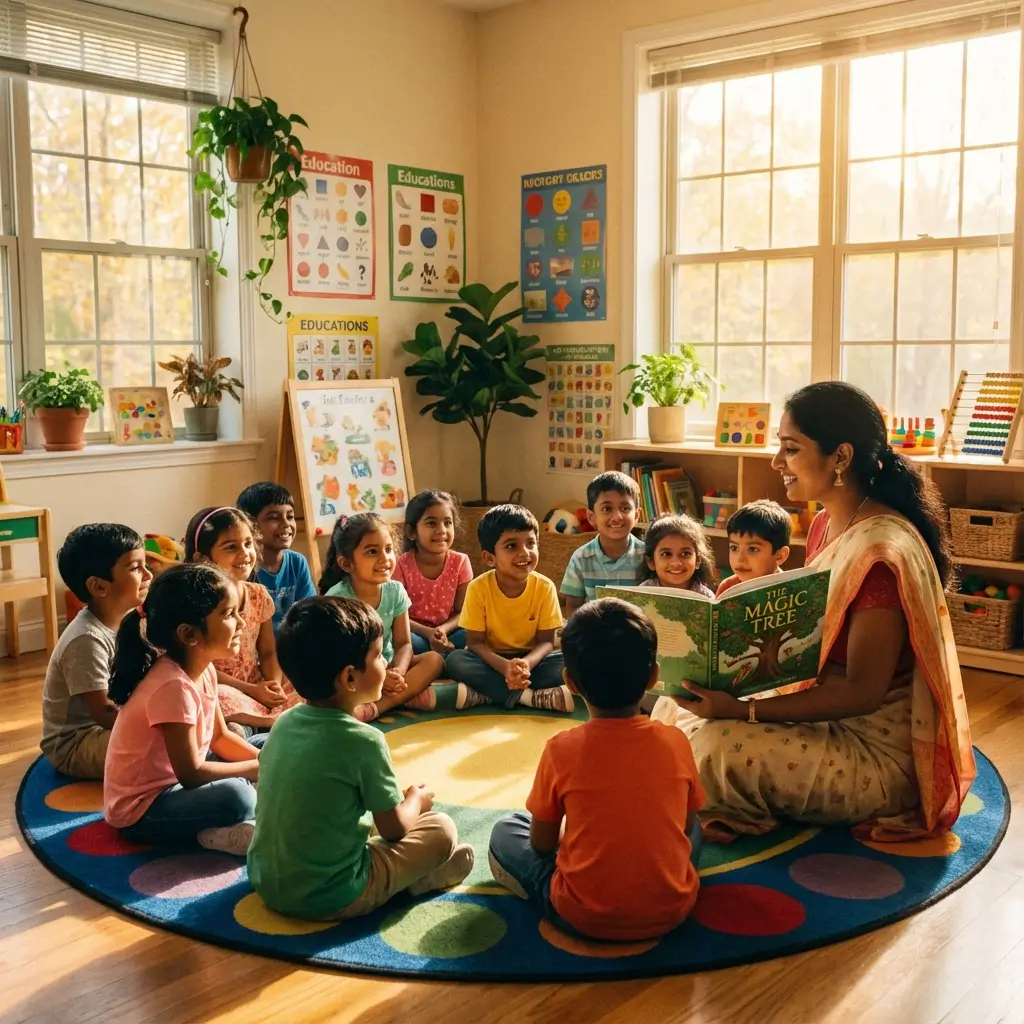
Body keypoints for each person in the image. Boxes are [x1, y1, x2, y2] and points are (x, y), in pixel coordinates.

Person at [653, 382, 975, 842]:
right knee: (677, 703)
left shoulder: (881, 553)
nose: (775, 462)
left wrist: (744, 711)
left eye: (790, 448)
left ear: (840, 457)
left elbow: (862, 693)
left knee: (711, 748)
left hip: (870, 751)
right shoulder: (827, 521)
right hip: (822, 713)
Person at [488, 598, 704, 940]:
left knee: (506, 829)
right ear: (654, 677)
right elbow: (686, 824)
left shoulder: (561, 749)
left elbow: (542, 843)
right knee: (694, 831)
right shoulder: (676, 740)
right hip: (674, 908)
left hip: (582, 914)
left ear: (570, 682)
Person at [247, 596, 473, 920]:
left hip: (265, 881)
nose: (385, 664)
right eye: (380, 656)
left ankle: (409, 876)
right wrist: (415, 800)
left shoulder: (284, 722)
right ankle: (415, 881)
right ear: (350, 678)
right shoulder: (365, 741)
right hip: (334, 895)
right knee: (441, 829)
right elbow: (394, 830)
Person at [103, 563, 263, 855]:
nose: (241, 623)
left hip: (179, 781)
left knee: (267, 744)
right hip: (144, 810)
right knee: (237, 797)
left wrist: (267, 761)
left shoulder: (204, 669)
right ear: (189, 634)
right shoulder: (171, 687)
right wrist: (259, 768)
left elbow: (220, 738)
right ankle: (217, 833)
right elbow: (191, 773)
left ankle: (251, 795)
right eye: (228, 614)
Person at [41, 524, 152, 779]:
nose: (148, 574)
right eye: (136, 568)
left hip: (115, 723)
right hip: (78, 742)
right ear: (99, 587)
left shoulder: (132, 618)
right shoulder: (86, 639)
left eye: (145, 565)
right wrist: (157, 724)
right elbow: (104, 712)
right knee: (160, 743)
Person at [445, 504, 572, 712]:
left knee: (570, 661)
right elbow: (475, 643)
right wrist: (505, 668)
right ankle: (529, 697)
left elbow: (547, 642)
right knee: (456, 661)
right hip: (491, 659)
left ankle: (486, 694)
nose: (525, 553)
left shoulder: (545, 587)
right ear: (489, 558)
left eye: (531, 543)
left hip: (532, 660)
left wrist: (525, 665)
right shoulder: (478, 588)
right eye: (512, 546)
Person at [319, 512, 444, 720]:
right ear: (347, 564)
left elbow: (404, 644)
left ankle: (378, 705)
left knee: (434, 660)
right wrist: (380, 677)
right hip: (353, 671)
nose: (384, 558)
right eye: (372, 552)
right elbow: (339, 658)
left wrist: (398, 672)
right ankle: (405, 696)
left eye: (388, 549)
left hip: (387, 664)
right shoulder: (339, 600)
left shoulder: (395, 591)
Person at [186, 506, 294, 732]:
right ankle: (268, 724)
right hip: (222, 687)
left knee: (310, 680)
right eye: (231, 547)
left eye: (248, 543)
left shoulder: (258, 595)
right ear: (203, 558)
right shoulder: (196, 605)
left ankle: (258, 724)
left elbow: (267, 652)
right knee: (218, 701)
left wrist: (273, 685)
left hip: (256, 685)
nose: (245, 553)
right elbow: (199, 666)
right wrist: (251, 690)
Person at [391, 490, 472, 656]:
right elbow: (397, 616)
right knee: (402, 641)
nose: (441, 530)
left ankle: (438, 658)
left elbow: (463, 611)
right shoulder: (400, 565)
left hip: (450, 632)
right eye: (431, 523)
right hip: (415, 634)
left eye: (448, 523)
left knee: (474, 634)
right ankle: (442, 659)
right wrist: (429, 633)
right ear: (411, 532)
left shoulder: (461, 562)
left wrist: (442, 630)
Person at [560, 471, 645, 614]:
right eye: (607, 509)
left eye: (625, 508)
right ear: (591, 517)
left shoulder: (647, 557)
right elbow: (573, 608)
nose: (617, 516)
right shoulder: (581, 558)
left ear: (636, 515)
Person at [236, 482, 316, 633]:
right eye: (274, 518)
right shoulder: (244, 567)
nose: (286, 524)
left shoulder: (297, 562)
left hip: (292, 644)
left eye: (290, 516)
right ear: (250, 524)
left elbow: (309, 612)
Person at [717, 499, 792, 596]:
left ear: (780, 556)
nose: (740, 559)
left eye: (752, 549)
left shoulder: (791, 592)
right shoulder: (728, 588)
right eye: (734, 548)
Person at [639, 514, 716, 596]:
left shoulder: (706, 596)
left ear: (698, 560)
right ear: (651, 562)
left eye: (685, 554)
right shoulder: (642, 593)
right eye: (666, 554)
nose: (676, 563)